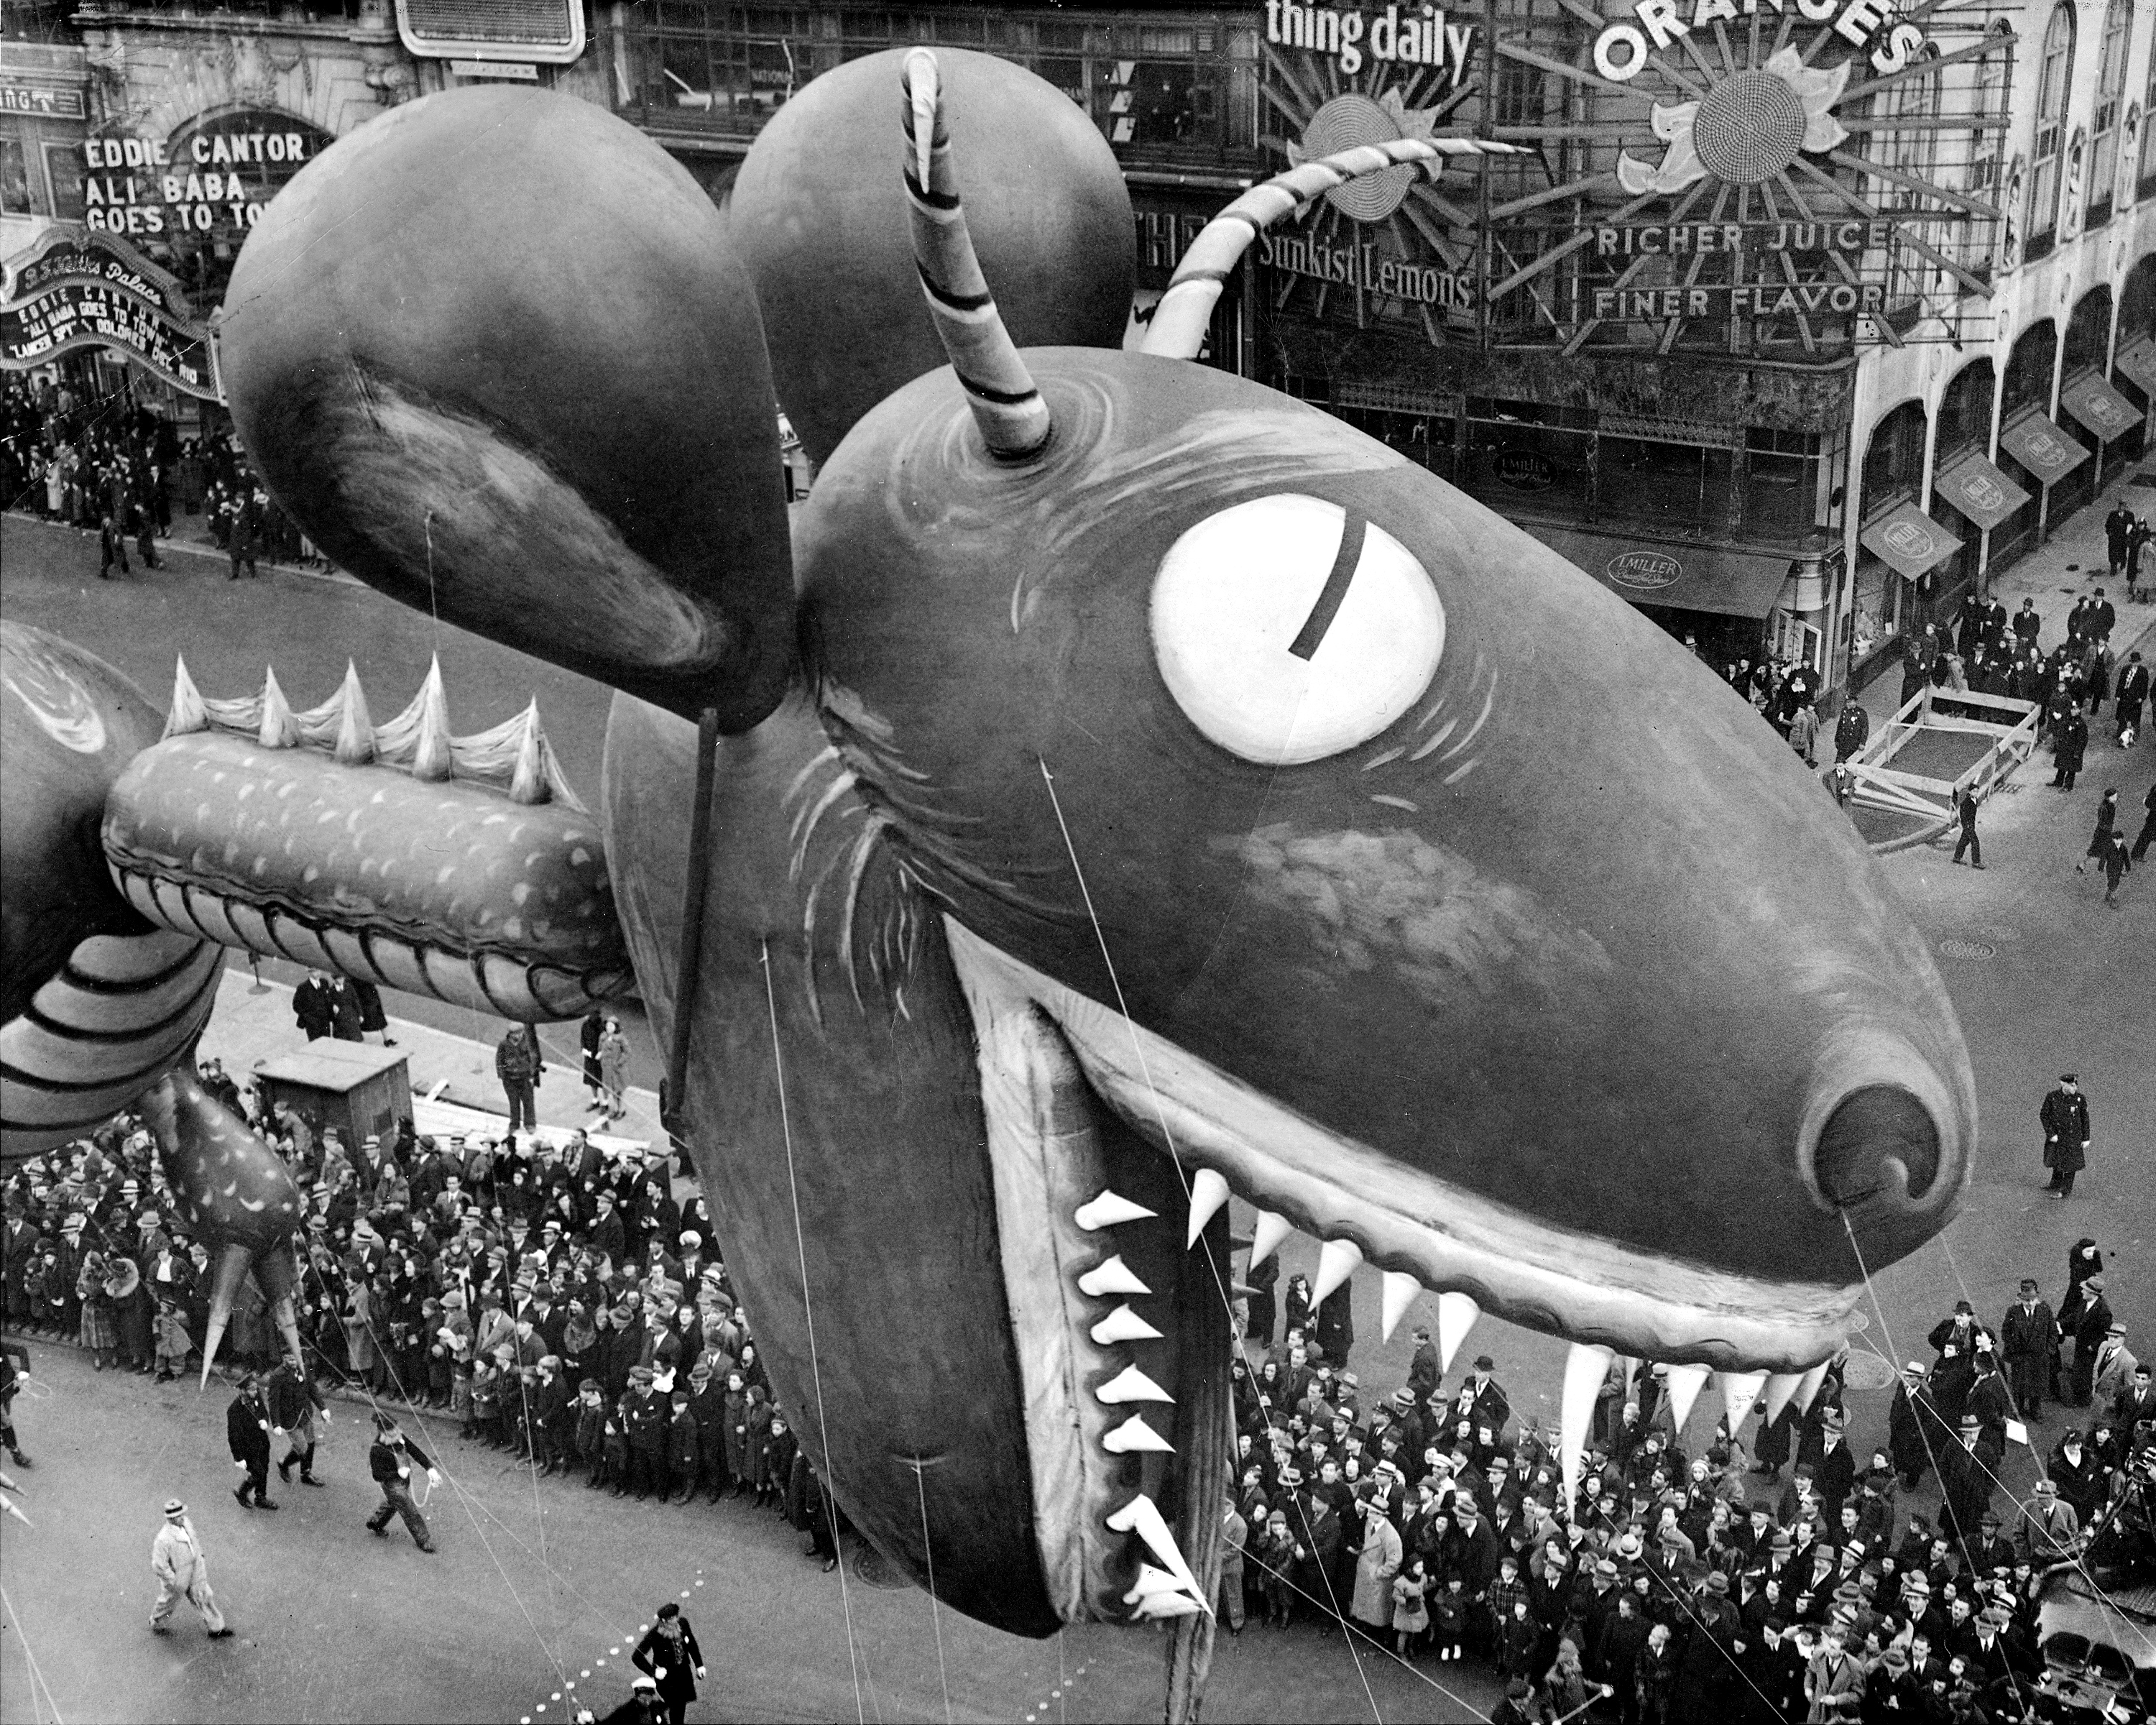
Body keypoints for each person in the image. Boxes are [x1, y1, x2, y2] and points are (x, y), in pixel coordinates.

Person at [149, 1499, 232, 1638]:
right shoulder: (163, 1539)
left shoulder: (186, 1523)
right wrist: (173, 1580)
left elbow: (194, 1542)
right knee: (168, 1603)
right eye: (178, 1516)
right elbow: (159, 1565)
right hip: (178, 1577)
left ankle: (217, 1628)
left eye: (182, 1514)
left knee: (203, 1597)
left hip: (195, 1571)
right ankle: (157, 1622)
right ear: (170, 1519)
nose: (182, 1518)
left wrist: (200, 1558)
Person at [364, 1412, 440, 1552]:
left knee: (394, 1503)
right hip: (392, 1485)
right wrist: (396, 1473)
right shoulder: (376, 1450)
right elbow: (377, 1475)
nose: (396, 1436)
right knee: (408, 1510)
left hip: (404, 1481)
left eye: (396, 1432)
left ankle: (376, 1522)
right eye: (392, 1434)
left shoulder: (399, 1437)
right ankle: (424, 1540)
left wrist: (430, 1469)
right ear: (383, 1433)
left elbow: (414, 1451)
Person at [630, 1601, 704, 1725]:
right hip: (667, 1679)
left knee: (681, 1705)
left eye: (676, 1616)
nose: (675, 1620)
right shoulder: (655, 1635)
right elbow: (637, 1656)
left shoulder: (683, 1623)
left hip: (684, 1673)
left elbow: (692, 1644)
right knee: (676, 1706)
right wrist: (653, 1672)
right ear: (664, 1620)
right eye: (671, 1618)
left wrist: (699, 1665)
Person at [267, 1357, 330, 1488]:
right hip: (290, 1418)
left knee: (311, 1442)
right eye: (290, 1359)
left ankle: (306, 1474)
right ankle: (284, 1464)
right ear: (284, 1358)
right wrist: (276, 1423)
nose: (294, 1361)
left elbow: (312, 1389)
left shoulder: (303, 1369)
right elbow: (274, 1402)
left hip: (305, 1413)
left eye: (295, 1358)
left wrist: (323, 1408)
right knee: (302, 1447)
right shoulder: (277, 1376)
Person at [1999, 1279, 2055, 1422]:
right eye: (2026, 1300)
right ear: (2021, 1299)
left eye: (2033, 1300)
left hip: (2039, 1357)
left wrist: (2048, 1350)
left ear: (2037, 1298)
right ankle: (2017, 1409)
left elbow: (2052, 1332)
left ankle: (2035, 1411)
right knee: (2019, 1385)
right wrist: (2013, 1348)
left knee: (2037, 1386)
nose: (2030, 1303)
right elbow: (2005, 1332)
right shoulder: (2013, 1312)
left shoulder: (2045, 1310)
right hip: (2020, 1357)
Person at [226, 1374, 276, 1510]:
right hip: (247, 1448)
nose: (255, 1392)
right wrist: (238, 1458)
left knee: (264, 1469)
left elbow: (263, 1411)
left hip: (262, 1441)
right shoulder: (234, 1410)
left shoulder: (256, 1395)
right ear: (243, 1391)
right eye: (251, 1390)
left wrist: (265, 1420)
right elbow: (233, 1436)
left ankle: (261, 1497)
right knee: (258, 1473)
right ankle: (242, 1493)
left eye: (256, 1388)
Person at [2040, 1074, 2091, 1199]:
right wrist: (2051, 1134)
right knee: (2056, 1160)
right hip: (2058, 1136)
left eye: (2075, 1086)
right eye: (2072, 1086)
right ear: (2064, 1085)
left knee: (2070, 1165)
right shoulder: (2052, 1097)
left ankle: (2065, 1190)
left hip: (2073, 1137)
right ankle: (2055, 1183)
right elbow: (2044, 1115)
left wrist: (2086, 1138)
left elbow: (2085, 1119)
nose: (2075, 1088)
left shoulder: (2080, 1099)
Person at [497, 1024, 540, 1133]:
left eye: (521, 1033)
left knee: (528, 1102)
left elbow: (533, 1059)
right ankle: (514, 1124)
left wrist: (532, 1075)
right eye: (517, 1033)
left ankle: (530, 1124)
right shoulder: (504, 1045)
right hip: (510, 1079)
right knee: (514, 1102)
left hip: (525, 1078)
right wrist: (502, 1075)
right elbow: (500, 1061)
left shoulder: (527, 1043)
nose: (520, 1035)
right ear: (511, 1034)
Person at [2076, 787, 2122, 873]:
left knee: (2099, 850)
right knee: (2095, 850)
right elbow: (2102, 822)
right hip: (2103, 833)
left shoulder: (2110, 806)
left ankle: (2085, 866)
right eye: (2114, 797)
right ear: (2109, 797)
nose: (2116, 798)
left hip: (2105, 832)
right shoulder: (2104, 808)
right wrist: (2109, 831)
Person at [599, 1018, 630, 1124]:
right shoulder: (603, 1037)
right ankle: (616, 1109)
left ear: (616, 1027)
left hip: (617, 1070)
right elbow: (601, 1049)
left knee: (620, 1091)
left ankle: (622, 1110)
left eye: (611, 1026)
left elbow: (627, 1052)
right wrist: (601, 1055)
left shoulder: (620, 1039)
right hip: (607, 1069)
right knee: (612, 1090)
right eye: (607, 1026)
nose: (609, 1028)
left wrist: (618, 1062)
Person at [1950, 786, 1983, 868]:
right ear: (1970, 792)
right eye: (1974, 791)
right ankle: (1976, 862)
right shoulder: (1966, 803)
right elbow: (1963, 815)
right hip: (1968, 825)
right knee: (1975, 842)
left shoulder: (1975, 800)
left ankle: (1957, 857)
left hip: (1971, 824)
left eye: (1977, 791)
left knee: (1964, 840)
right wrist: (1966, 825)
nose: (1976, 793)